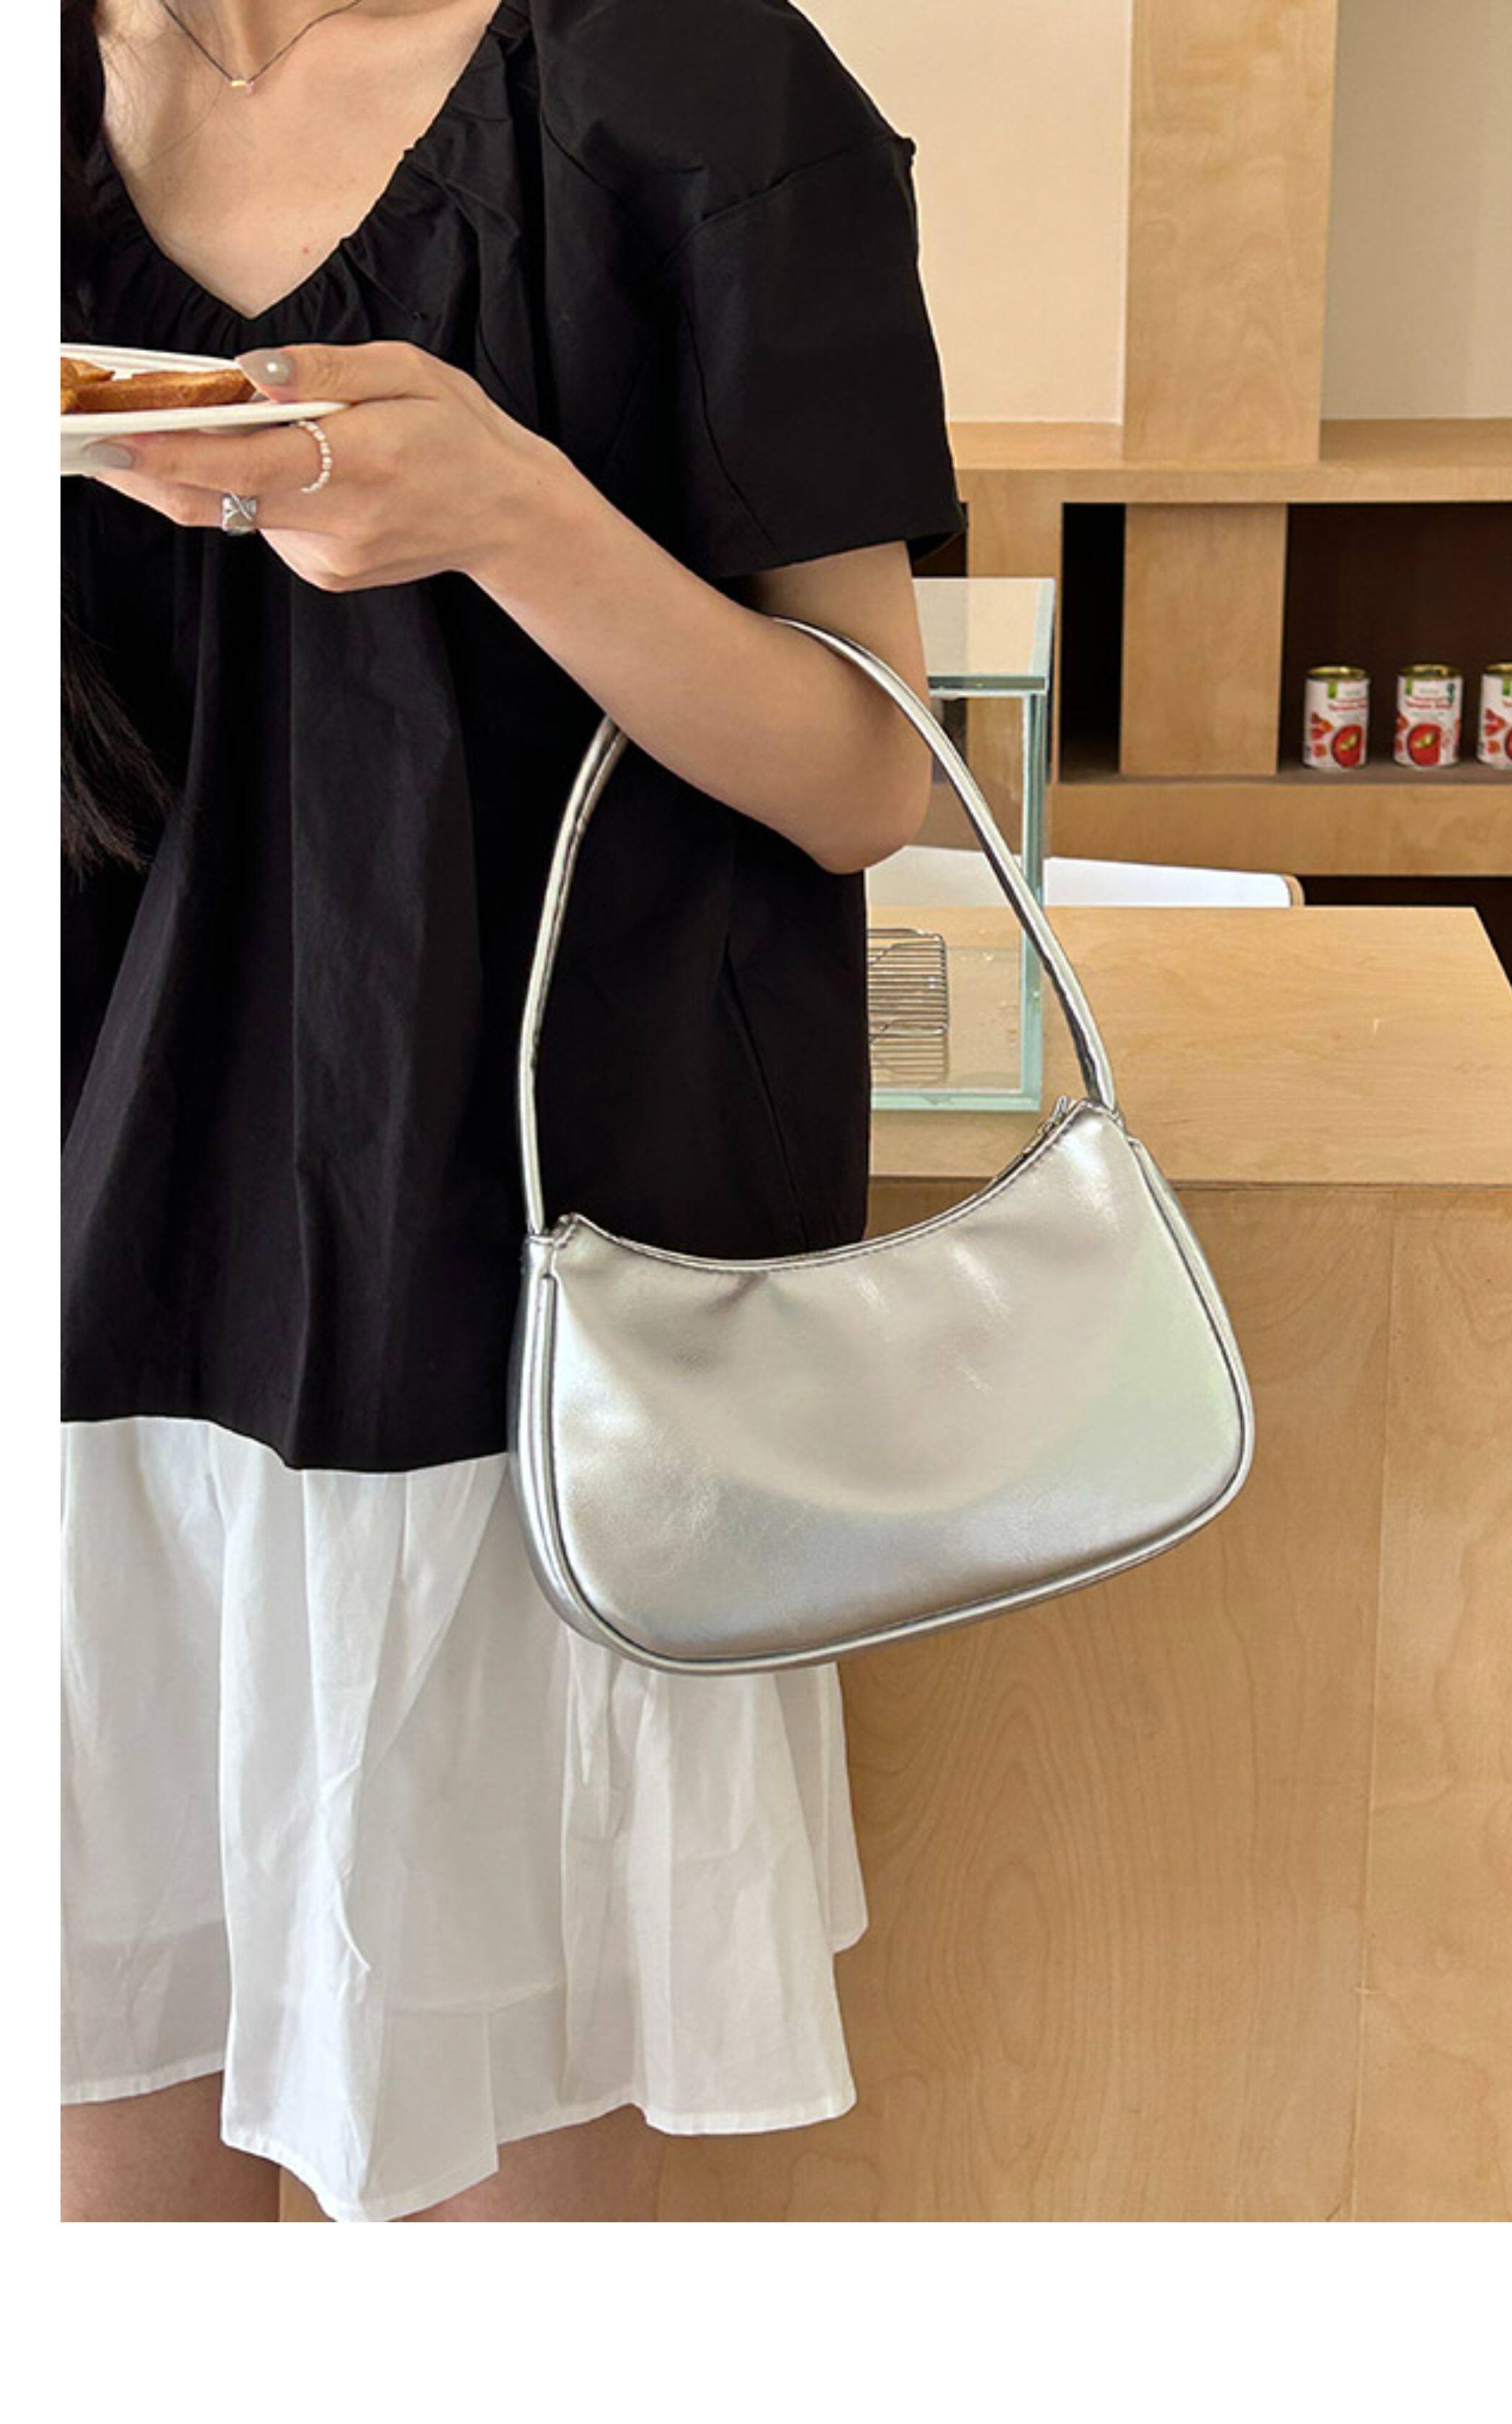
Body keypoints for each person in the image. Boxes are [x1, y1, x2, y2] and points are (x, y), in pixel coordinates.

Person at [61, 0, 964, 2223]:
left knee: (500, 2232)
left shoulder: (689, 80)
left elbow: (873, 776)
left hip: (517, 1336)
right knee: (94, 2198)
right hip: (77, 1309)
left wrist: (513, 510)